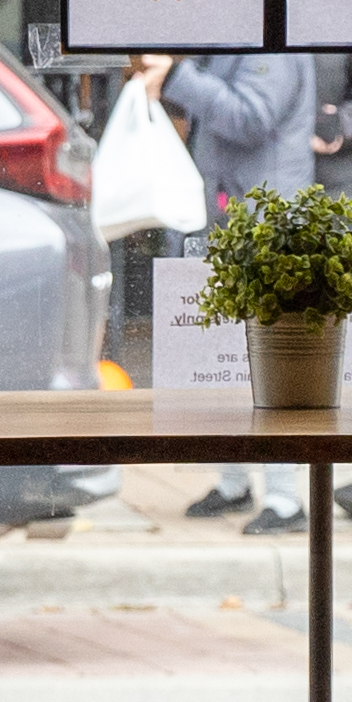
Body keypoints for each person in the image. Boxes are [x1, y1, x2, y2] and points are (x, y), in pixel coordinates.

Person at [135, 45, 321, 527]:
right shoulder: (237, 44)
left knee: (274, 360)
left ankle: (284, 497)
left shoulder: (273, 47)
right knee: (226, 357)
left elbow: (251, 117)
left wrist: (178, 78)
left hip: (267, 221)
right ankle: (235, 480)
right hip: (234, 217)